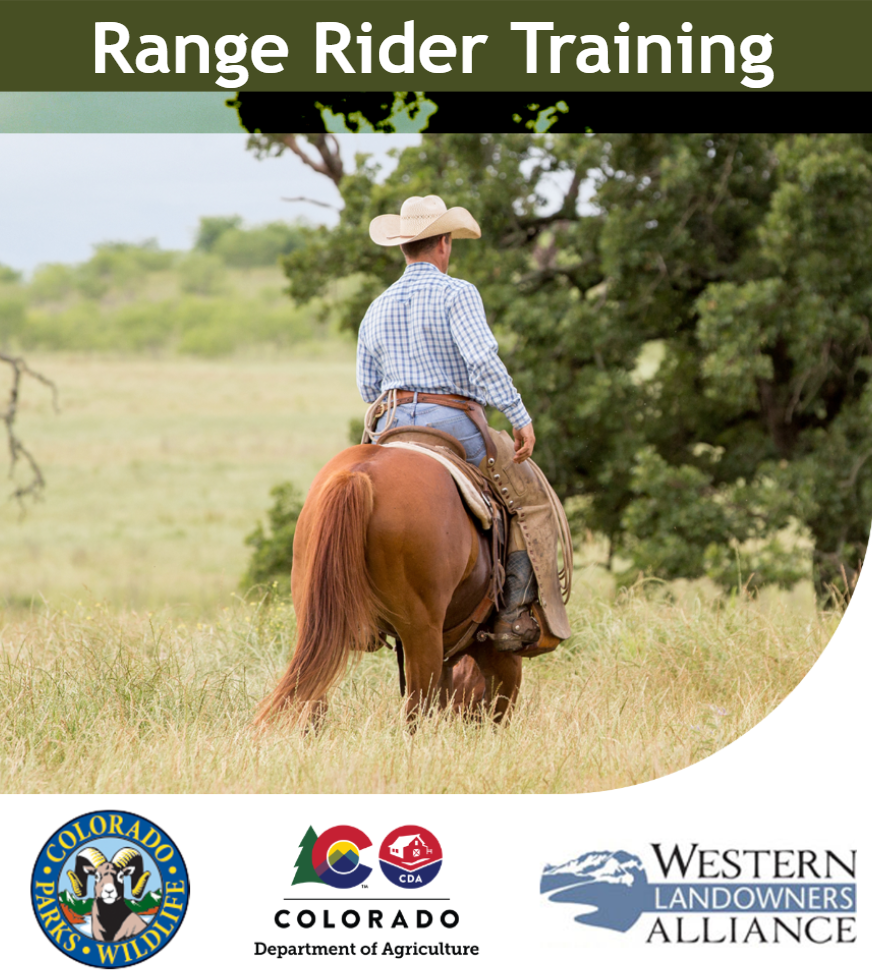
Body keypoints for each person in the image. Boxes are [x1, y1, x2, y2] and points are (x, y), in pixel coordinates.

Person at [357, 195, 570, 652]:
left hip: (392, 427)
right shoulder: (458, 292)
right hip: (454, 423)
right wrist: (518, 416)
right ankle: (515, 613)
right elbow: (483, 362)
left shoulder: (377, 306)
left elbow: (367, 385)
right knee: (529, 497)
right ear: (444, 244)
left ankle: (365, 611)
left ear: (403, 247)